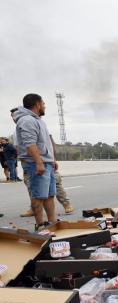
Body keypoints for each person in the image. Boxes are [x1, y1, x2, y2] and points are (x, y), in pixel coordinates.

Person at [14, 93, 59, 230]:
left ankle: (52, 223)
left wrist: (52, 160)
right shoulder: (27, 120)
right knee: (38, 196)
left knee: (49, 195)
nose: (44, 106)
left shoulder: (38, 120)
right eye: (43, 103)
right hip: (35, 164)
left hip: (46, 162)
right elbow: (30, 144)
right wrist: (39, 163)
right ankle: (40, 225)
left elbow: (44, 143)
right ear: (38, 104)